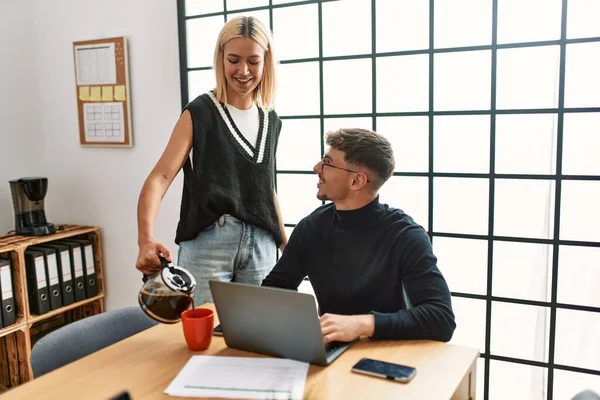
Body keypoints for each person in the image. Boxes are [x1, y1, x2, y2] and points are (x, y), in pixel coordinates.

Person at [136, 16, 287, 306]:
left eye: (253, 61)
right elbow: (161, 177)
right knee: (203, 341)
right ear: (220, 59)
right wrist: (145, 238)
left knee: (260, 340)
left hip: (262, 249)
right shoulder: (200, 112)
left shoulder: (271, 120)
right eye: (234, 60)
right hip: (209, 246)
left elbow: (267, 190)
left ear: (266, 61)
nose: (243, 70)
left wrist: (286, 244)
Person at [262, 128, 456, 343]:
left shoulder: (405, 235)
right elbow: (276, 288)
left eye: (327, 162)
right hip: (329, 348)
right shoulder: (311, 226)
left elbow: (441, 319)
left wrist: (362, 324)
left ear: (357, 181)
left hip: (388, 351)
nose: (317, 168)